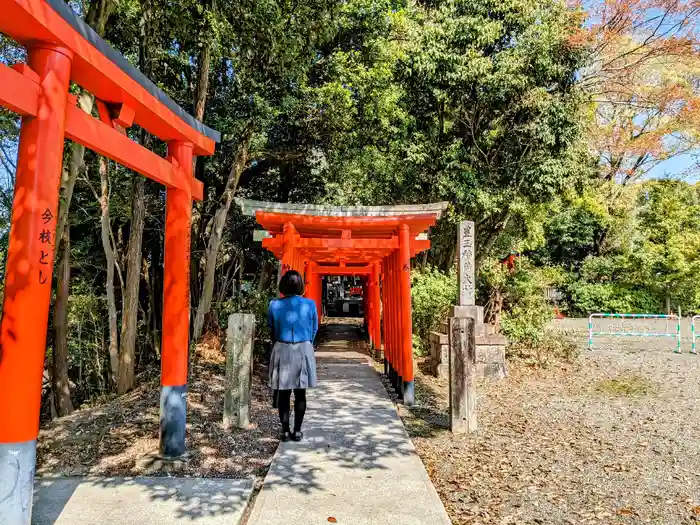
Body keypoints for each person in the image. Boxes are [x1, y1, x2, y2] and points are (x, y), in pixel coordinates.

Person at [268, 269, 318, 442]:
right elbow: (314, 329)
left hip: (282, 347)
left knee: (283, 393)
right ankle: (297, 431)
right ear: (301, 286)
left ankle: (284, 430)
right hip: (303, 347)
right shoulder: (310, 304)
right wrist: (306, 343)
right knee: (300, 392)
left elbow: (272, 328)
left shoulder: (274, 304)